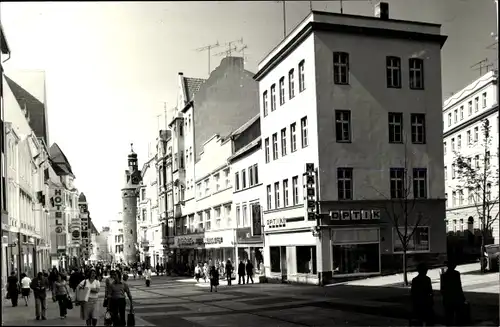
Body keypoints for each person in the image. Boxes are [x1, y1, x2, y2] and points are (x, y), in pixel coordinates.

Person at [441, 261, 467, 326]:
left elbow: (442, 289)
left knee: (449, 316)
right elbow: (459, 286)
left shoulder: (444, 275)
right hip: (456, 297)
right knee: (458, 315)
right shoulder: (456, 274)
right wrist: (462, 297)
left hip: (448, 298)